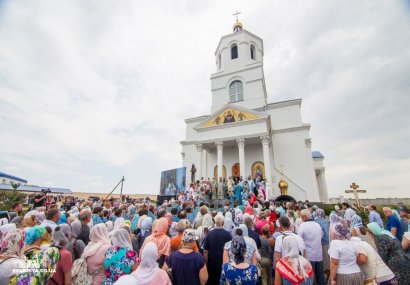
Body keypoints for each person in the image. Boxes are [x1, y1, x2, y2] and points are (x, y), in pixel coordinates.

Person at [297, 209, 325, 285]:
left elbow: (299, 240)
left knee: (312, 277)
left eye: (301, 217)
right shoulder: (317, 224)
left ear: (304, 217)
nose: (301, 219)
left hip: (309, 255)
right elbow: (321, 235)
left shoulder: (302, 226)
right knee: (321, 276)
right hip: (318, 254)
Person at [203, 214, 232, 285]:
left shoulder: (209, 234)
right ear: (223, 223)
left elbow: (205, 251)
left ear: (215, 222)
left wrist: (206, 264)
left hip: (211, 263)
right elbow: (231, 251)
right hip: (223, 263)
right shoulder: (228, 234)